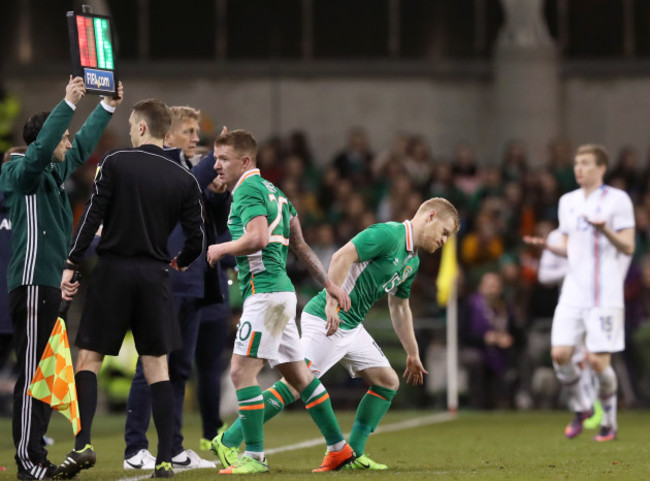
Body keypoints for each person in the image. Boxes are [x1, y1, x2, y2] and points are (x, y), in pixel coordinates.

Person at [212, 196, 460, 470]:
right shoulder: (389, 235)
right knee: (296, 384)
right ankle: (229, 439)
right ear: (431, 216)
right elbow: (342, 255)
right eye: (445, 233)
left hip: (352, 326)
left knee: (387, 381)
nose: (444, 241)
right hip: (327, 320)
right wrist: (332, 302)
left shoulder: (411, 262)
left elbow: (399, 307)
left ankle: (351, 454)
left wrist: (412, 352)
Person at [53, 98, 205, 479]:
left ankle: (83, 444)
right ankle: (166, 459)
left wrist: (72, 263)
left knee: (88, 357)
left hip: (114, 271)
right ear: (166, 132)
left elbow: (91, 217)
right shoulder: (184, 178)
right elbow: (196, 239)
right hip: (155, 276)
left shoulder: (115, 162)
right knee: (157, 367)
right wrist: (181, 261)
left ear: (139, 127)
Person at [205, 129, 354, 474]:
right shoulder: (276, 192)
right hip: (281, 293)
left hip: (266, 294)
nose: (217, 166)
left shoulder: (247, 190)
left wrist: (221, 248)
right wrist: (329, 283)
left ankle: (254, 457)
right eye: (216, 158)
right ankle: (339, 448)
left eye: (223, 159)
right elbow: (300, 246)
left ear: (245, 161)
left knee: (242, 372)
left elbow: (256, 238)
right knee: (299, 377)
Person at [0, 76, 121, 481]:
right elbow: (35, 158)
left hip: (48, 286)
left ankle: (36, 458)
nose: (69, 143)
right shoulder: (21, 171)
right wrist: (66, 103)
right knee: (34, 378)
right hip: (33, 285)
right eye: (62, 137)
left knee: (46, 379)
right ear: (44, 139)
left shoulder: (50, 174)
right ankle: (28, 464)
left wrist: (106, 106)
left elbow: (84, 146)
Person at [122, 106, 222, 472]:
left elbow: (212, 219)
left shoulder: (189, 172)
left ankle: (173, 447)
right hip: (164, 281)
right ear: (168, 136)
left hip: (192, 283)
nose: (197, 139)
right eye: (190, 131)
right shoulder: (161, 169)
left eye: (198, 132)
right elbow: (190, 183)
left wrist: (221, 192)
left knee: (179, 370)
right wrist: (217, 157)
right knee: (150, 365)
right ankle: (135, 448)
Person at [524, 144, 635, 442]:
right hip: (573, 290)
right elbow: (572, 246)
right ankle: (583, 406)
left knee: (599, 363)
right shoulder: (567, 202)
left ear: (601, 168)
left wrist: (605, 231)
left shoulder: (618, 200)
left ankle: (609, 422)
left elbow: (628, 246)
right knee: (560, 354)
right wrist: (548, 246)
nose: (579, 168)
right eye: (576, 163)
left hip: (605, 292)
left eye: (585, 163)